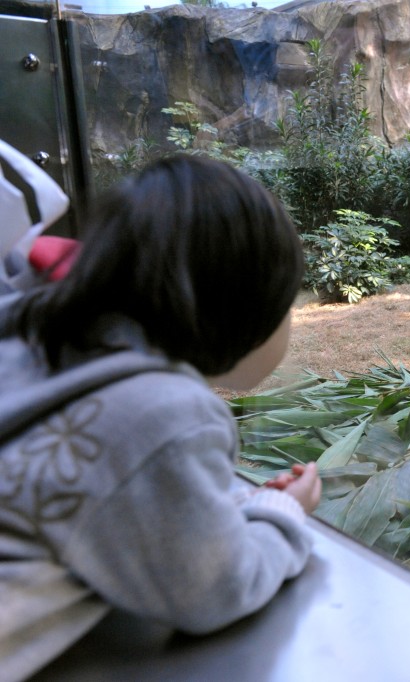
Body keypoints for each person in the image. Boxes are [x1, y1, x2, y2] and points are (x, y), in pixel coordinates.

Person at [0, 153, 322, 681]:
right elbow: (214, 588)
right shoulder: (164, 412)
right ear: (243, 304)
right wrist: (277, 514)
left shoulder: (32, 336)